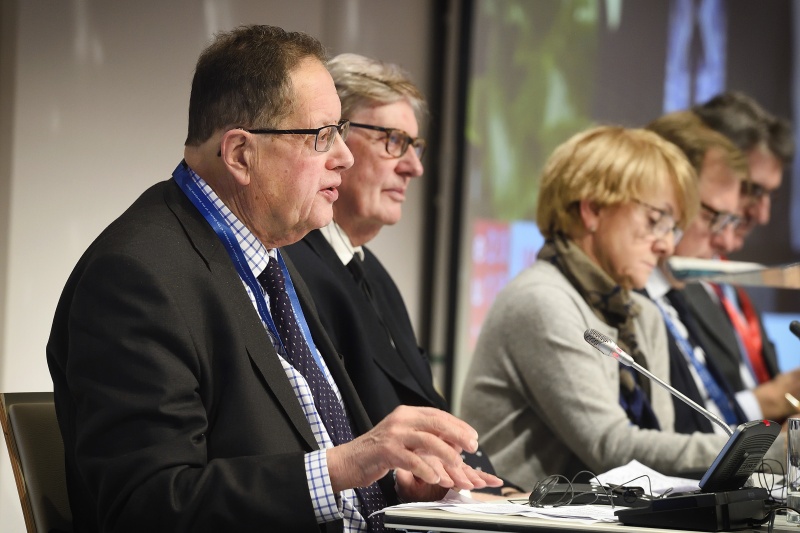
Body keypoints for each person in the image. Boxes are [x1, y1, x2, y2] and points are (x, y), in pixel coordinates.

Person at [46, 25, 499, 533]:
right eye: (322, 136)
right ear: (241, 154)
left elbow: (291, 449)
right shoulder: (135, 279)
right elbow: (148, 505)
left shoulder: (268, 259)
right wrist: (347, 466)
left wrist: (390, 483)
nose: (344, 157)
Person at [460, 125, 728, 489]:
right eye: (656, 221)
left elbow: (655, 454)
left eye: (673, 229)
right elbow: (611, 447)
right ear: (593, 210)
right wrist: (772, 448)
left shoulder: (642, 313)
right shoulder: (542, 300)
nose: (666, 245)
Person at [645, 111, 800, 434]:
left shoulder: (696, 286)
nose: (726, 239)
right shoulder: (638, 294)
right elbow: (641, 443)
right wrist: (773, 410)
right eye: (752, 190)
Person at [685, 92, 795, 396]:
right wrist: (766, 405)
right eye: (752, 189)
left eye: (769, 194)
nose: (763, 214)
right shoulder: (666, 280)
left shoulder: (727, 281)